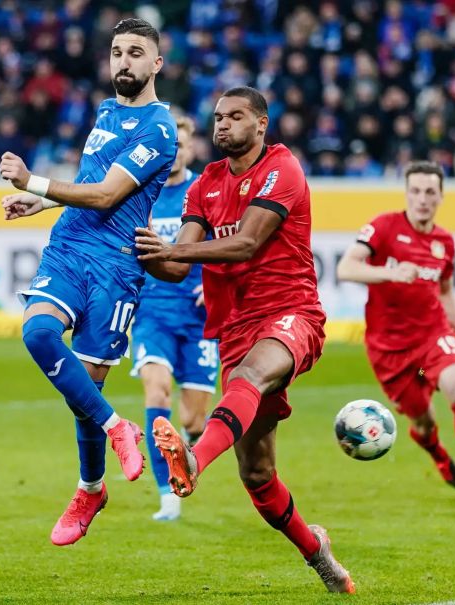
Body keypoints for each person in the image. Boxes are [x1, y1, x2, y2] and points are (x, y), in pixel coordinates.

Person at [134, 86, 355, 594]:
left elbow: (247, 242)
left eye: (235, 117)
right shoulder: (204, 185)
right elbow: (175, 263)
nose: (222, 126)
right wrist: (146, 253)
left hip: (290, 313)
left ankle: (191, 459)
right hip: (234, 327)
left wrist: (175, 252)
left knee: (250, 375)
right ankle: (316, 552)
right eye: (217, 117)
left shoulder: (283, 167)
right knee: (258, 476)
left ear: (261, 124)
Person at [0, 18, 178, 545]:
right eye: (117, 52)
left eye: (136, 53)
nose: (124, 61)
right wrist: (43, 200)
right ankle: (118, 427)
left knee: (87, 392)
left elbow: (105, 195)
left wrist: (32, 179)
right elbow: (87, 187)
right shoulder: (104, 111)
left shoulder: (160, 130)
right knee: (37, 333)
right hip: (71, 248)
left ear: (156, 64)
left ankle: (90, 488)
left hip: (118, 266)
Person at [335, 160, 455, 510]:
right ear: (407, 193)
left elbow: (446, 293)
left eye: (430, 192)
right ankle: (438, 455)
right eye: (415, 191)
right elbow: (345, 268)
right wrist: (389, 273)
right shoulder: (383, 227)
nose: (422, 199)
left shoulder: (444, 242)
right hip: (391, 353)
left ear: (441, 196)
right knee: (423, 421)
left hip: (432, 340)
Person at [130, 116, 219, 522]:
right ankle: (167, 492)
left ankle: (185, 451)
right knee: (157, 390)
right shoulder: (139, 193)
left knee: (193, 420)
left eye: (183, 144)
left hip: (200, 316)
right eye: (172, 144)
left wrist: (216, 283)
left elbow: (231, 241)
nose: (177, 151)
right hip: (153, 312)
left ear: (190, 148)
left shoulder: (206, 191)